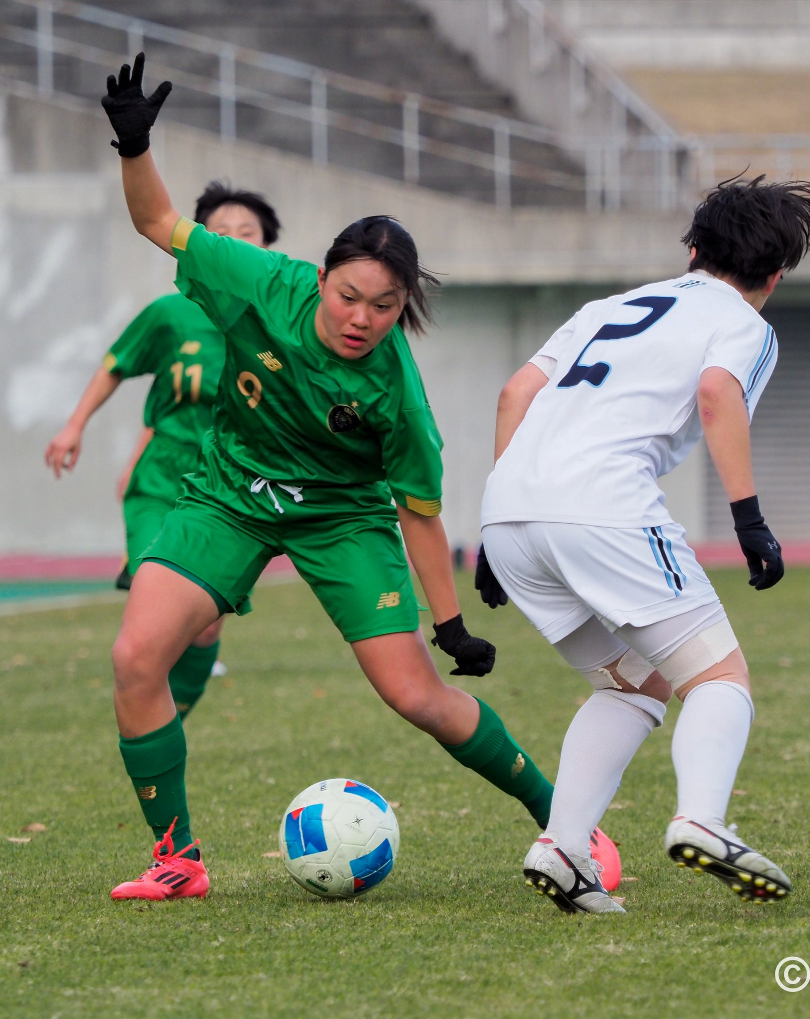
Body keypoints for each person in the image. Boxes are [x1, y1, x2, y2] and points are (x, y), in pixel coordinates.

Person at [96, 54, 571, 901]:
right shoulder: (257, 281)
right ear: (321, 276)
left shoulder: (397, 395)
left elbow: (418, 512)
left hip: (343, 519)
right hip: (229, 491)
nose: (361, 318)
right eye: (349, 295)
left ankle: (567, 821)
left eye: (384, 306)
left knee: (415, 695)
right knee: (137, 656)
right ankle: (178, 859)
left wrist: (451, 624)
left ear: (403, 307)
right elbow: (159, 220)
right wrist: (134, 145)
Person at [477, 174, 810, 913]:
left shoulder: (608, 307)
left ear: (693, 248)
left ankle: (563, 847)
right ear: (775, 276)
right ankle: (700, 819)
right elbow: (716, 392)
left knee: (634, 682)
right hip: (604, 511)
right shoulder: (747, 323)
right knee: (719, 678)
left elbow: (515, 394)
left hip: (506, 511)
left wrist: (491, 538)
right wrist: (749, 518)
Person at [45, 183, 281, 718]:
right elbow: (116, 365)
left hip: (230, 488)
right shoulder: (170, 315)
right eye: (221, 234)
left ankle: (172, 718)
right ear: (198, 244)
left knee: (205, 622)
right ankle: (145, 703)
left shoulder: (281, 326)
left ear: (268, 247)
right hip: (161, 480)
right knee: (153, 602)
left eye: (248, 234)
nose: (236, 243)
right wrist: (73, 426)